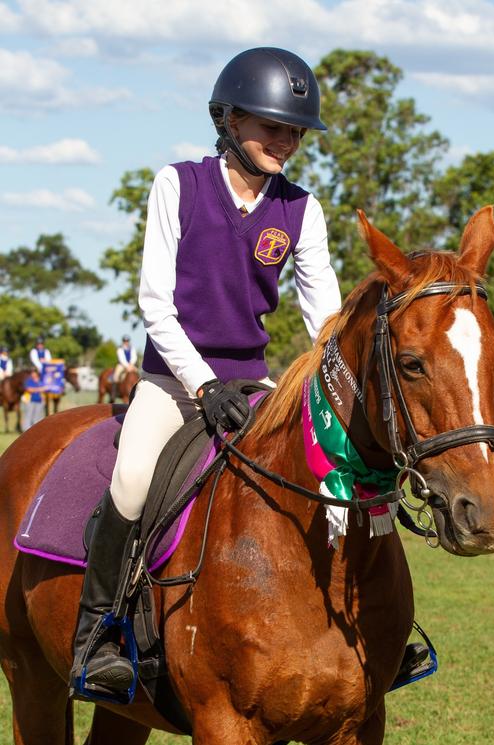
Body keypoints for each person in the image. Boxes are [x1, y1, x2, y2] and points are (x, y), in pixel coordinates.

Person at [69, 47, 342, 699]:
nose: (287, 142)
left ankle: (366, 624)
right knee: (133, 483)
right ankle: (96, 634)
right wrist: (200, 383)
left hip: (254, 384)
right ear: (228, 120)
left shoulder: (301, 210)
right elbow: (153, 304)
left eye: (295, 132)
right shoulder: (179, 184)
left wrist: (336, 380)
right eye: (272, 127)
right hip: (172, 380)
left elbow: (323, 314)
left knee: (334, 479)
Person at [112, 335, 138, 399]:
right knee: (116, 376)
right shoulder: (120, 349)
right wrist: (127, 366)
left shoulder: (132, 348)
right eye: (125, 341)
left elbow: (134, 357)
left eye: (127, 341)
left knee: (140, 375)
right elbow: (121, 359)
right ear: (123, 341)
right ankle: (114, 393)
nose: (126, 342)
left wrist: (131, 365)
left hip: (131, 365)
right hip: (122, 365)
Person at [21, 366, 46, 431]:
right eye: (32, 373)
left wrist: (38, 389)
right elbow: (29, 389)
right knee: (28, 415)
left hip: (40, 400)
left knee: (38, 416)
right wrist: (39, 389)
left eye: (34, 372)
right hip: (30, 400)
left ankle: (37, 430)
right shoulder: (28, 380)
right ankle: (26, 430)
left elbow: (45, 388)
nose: (33, 374)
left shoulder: (41, 380)